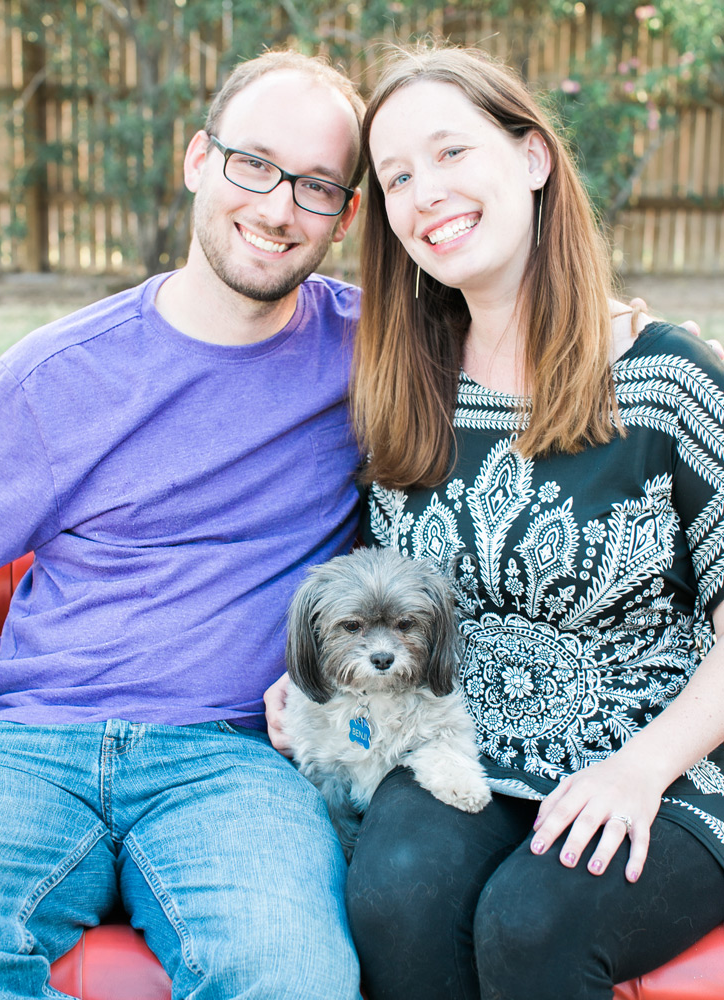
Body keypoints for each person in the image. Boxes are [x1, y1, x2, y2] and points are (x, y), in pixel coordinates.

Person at [0, 50, 365, 999]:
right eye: (254, 164)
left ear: (348, 215)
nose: (277, 208)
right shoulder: (56, 376)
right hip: (29, 740)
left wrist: (628, 331)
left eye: (316, 186)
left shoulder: (376, 355)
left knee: (293, 983)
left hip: (233, 759)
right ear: (198, 160)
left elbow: (527, 333)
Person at [341, 44, 724, 1000]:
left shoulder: (670, 380)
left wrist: (639, 773)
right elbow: (377, 605)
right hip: (467, 743)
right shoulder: (409, 389)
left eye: (451, 153)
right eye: (396, 177)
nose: (425, 192)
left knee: (530, 924)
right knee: (393, 891)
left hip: (665, 760)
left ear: (533, 157)